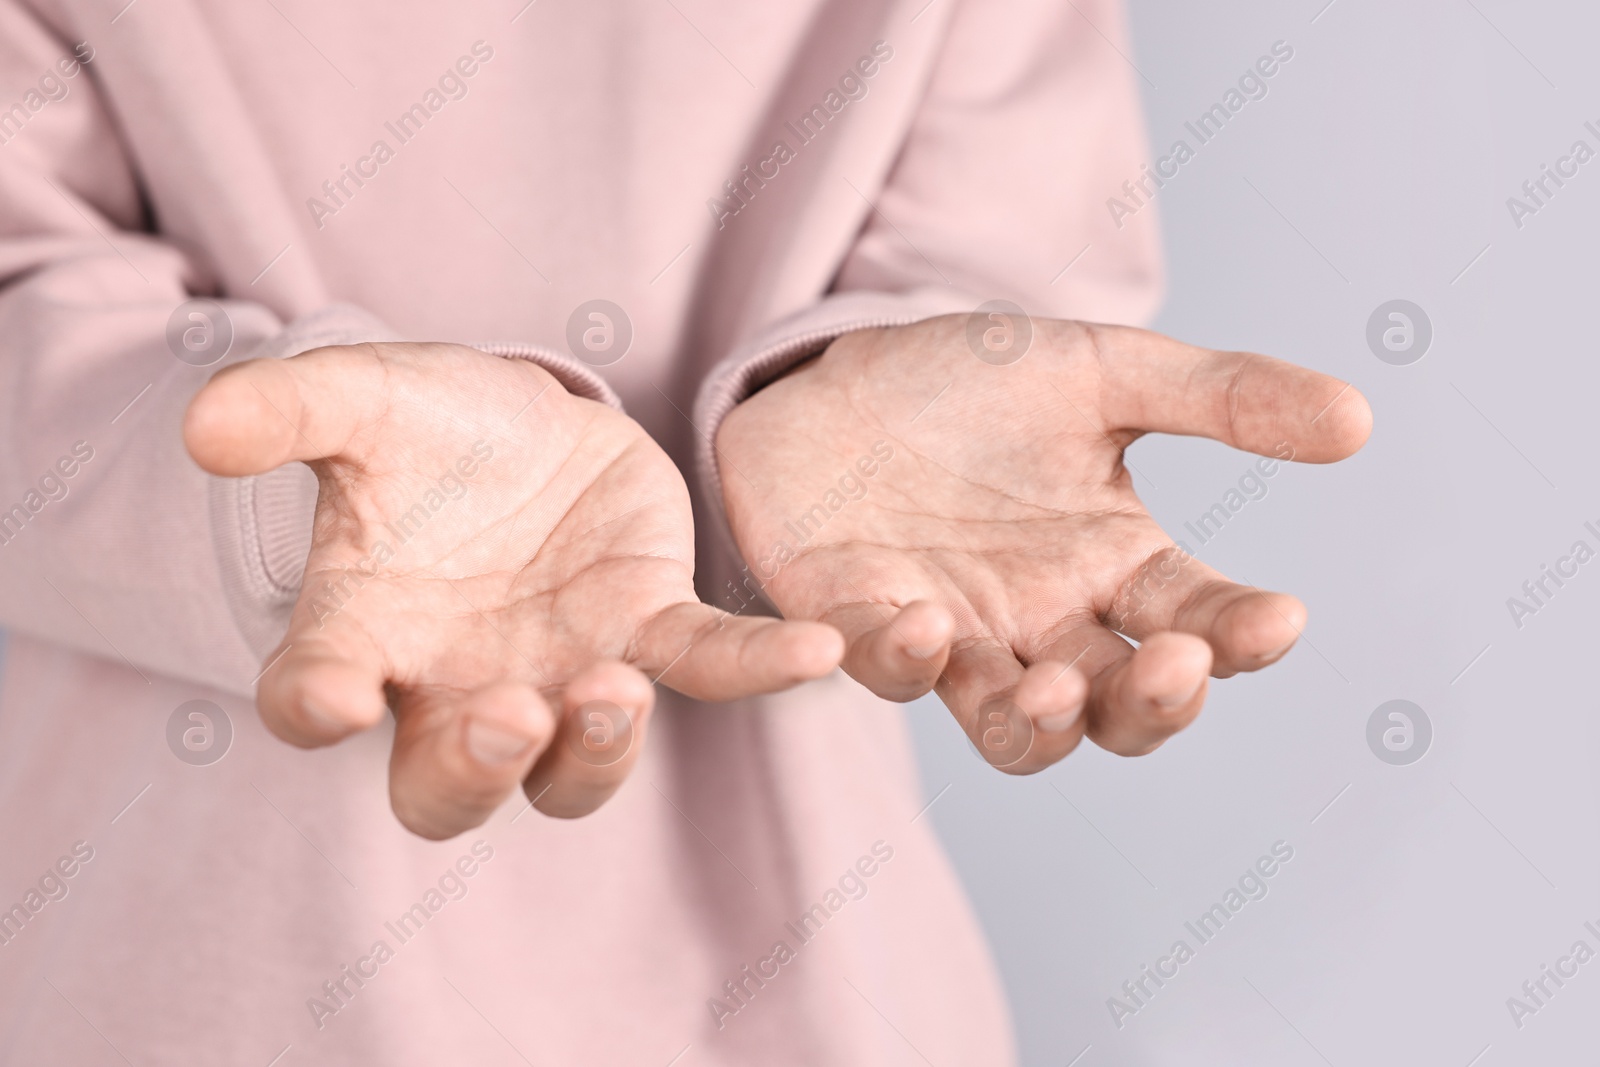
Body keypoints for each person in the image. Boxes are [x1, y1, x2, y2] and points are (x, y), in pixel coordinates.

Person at [0, 0, 1370, 1063]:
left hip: (805, 981)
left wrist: (859, 432)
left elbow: (1003, 260)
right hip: (189, 970)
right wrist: (304, 488)